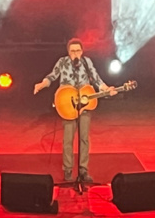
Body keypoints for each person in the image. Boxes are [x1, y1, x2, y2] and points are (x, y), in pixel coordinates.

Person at [34, 38, 116, 183]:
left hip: (84, 104)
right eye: (72, 51)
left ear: (82, 51)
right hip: (68, 104)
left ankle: (83, 171)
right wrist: (42, 84)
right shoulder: (62, 62)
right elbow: (52, 76)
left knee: (84, 139)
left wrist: (106, 89)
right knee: (68, 140)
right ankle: (67, 170)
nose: (75, 54)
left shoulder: (87, 62)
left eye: (78, 51)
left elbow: (97, 79)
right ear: (68, 53)